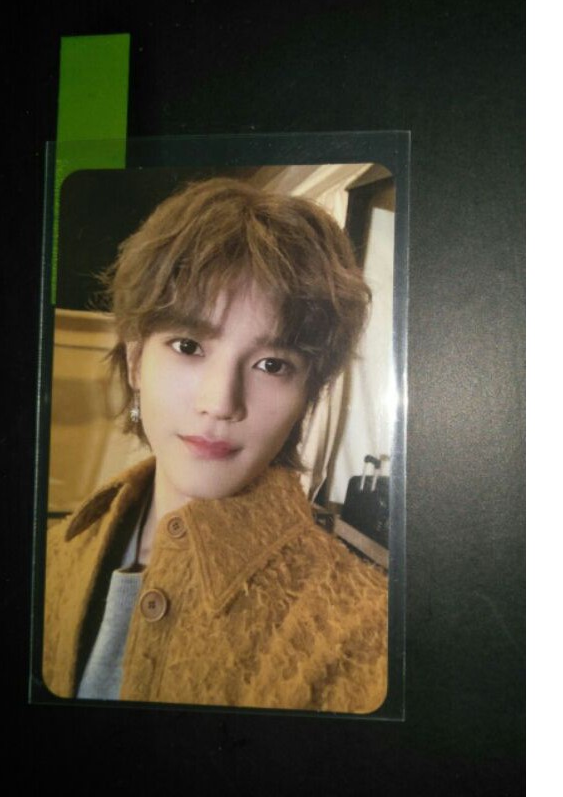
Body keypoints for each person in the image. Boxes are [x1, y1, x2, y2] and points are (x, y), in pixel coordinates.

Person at [42, 177, 388, 713]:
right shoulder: (52, 554)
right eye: (188, 345)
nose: (220, 402)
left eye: (272, 365)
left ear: (308, 395)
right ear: (135, 362)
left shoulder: (365, 632)